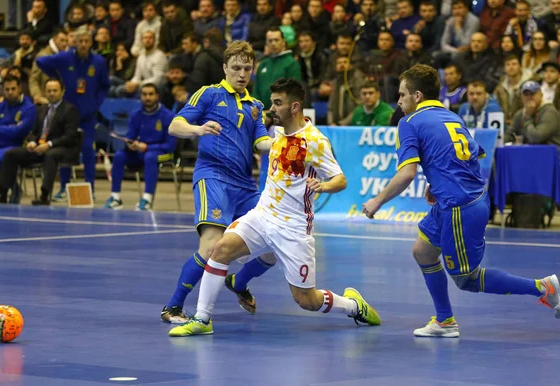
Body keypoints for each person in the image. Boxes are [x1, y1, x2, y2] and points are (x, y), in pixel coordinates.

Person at [361, 64, 560, 338]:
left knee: (466, 279)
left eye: (401, 95)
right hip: (460, 199)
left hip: (459, 207)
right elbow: (470, 156)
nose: (398, 101)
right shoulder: (451, 116)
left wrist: (378, 200)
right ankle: (444, 320)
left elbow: (407, 173)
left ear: (417, 96)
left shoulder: (408, 123)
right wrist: (438, 185)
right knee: (422, 251)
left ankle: (542, 287)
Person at [169, 78, 381, 337]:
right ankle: (202, 319)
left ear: (294, 107)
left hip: (293, 226)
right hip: (263, 215)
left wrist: (323, 186)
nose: (272, 108)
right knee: (220, 249)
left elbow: (341, 178)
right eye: (272, 102)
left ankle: (352, 305)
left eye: (277, 103)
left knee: (306, 300)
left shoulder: (314, 141)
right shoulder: (277, 134)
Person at [161, 41, 277, 323]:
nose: (241, 74)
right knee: (211, 245)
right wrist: (198, 129)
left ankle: (238, 282)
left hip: (245, 186)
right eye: (236, 68)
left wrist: (285, 143)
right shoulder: (209, 95)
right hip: (213, 178)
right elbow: (175, 126)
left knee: (279, 243)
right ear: (225, 68)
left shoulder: (255, 106)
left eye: (247, 68)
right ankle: (173, 307)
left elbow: (261, 142)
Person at [36, 26, 110, 200]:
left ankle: (90, 188)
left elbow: (105, 86)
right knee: (65, 151)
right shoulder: (65, 58)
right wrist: (57, 78)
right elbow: (40, 62)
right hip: (67, 114)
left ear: (91, 42)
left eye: (86, 41)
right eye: (80, 41)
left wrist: (96, 102)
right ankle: (63, 187)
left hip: (88, 115)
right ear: (74, 42)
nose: (83, 44)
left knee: (88, 151)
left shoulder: (98, 62)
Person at [0, 78, 79, 205]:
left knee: (50, 155)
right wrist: (31, 142)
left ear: (62, 92)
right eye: (49, 91)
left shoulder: (70, 110)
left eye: (55, 91)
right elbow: (33, 132)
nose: (51, 93)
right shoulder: (41, 109)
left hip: (62, 148)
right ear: (45, 92)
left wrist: (49, 144)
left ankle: (44, 196)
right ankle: (2, 194)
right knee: (10, 154)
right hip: (39, 147)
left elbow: (70, 136)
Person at [103, 83, 177, 211]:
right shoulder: (135, 115)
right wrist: (130, 144)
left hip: (161, 153)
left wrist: (148, 147)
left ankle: (146, 199)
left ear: (157, 96)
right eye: (144, 94)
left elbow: (170, 145)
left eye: (151, 94)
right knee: (120, 156)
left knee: (150, 157)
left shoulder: (168, 116)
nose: (147, 97)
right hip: (139, 152)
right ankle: (115, 198)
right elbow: (130, 136)